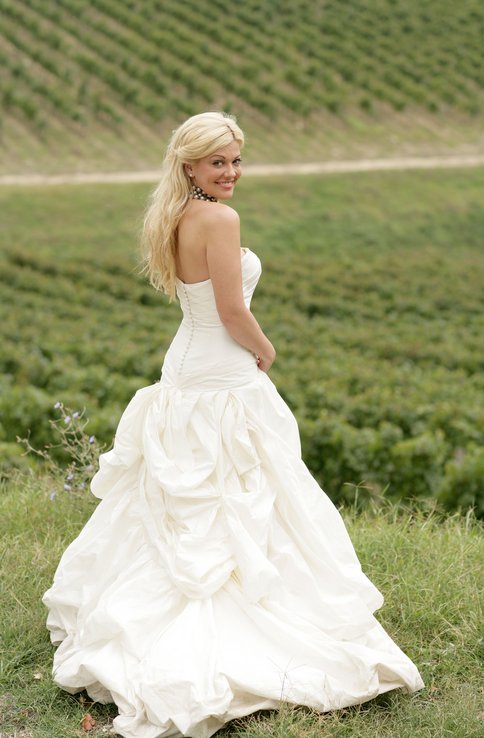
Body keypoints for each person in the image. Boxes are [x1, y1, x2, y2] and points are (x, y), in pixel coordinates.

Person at [43, 112, 424, 738]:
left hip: (189, 366)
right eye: (217, 161)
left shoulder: (176, 214)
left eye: (237, 160)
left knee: (201, 502)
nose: (231, 173)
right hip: (220, 372)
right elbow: (229, 309)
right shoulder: (219, 219)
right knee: (237, 492)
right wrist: (265, 348)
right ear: (190, 165)